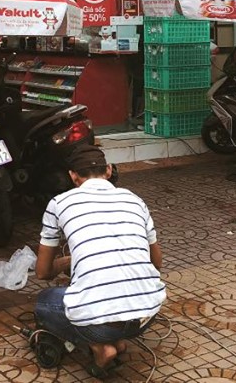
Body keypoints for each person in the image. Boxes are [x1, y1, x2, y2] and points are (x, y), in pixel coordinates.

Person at [34, 143, 165, 377]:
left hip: (102, 327)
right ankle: (117, 340)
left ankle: (100, 347)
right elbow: (156, 262)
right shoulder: (135, 200)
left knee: (44, 303)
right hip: (146, 316)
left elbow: (43, 272)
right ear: (108, 170)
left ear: (73, 176)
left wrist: (66, 261)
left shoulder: (58, 203)